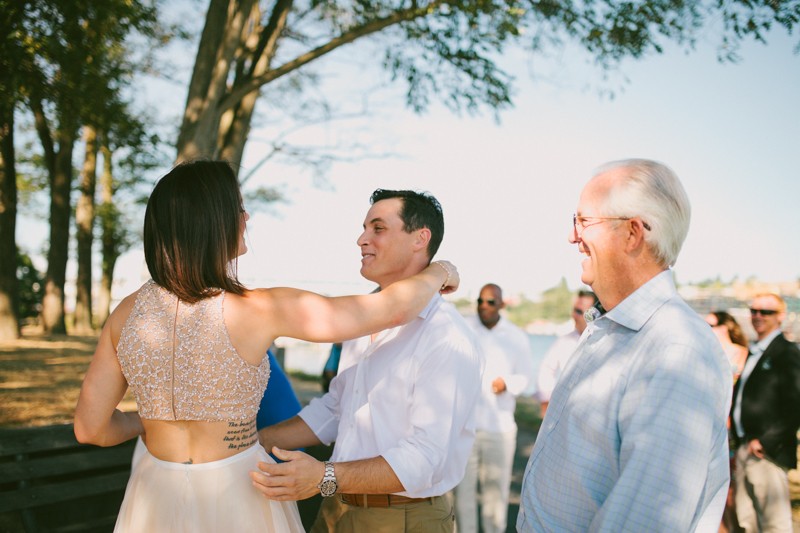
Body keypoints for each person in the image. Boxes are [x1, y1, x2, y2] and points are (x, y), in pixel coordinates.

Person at [73, 162, 459, 533]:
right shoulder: (260, 308)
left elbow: (90, 429)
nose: (247, 218)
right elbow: (392, 309)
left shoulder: (126, 314)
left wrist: (145, 421)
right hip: (235, 493)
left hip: (154, 493)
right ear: (213, 221)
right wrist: (441, 270)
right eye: (239, 208)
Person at [517, 158, 733, 532]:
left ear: (632, 234)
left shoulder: (675, 351)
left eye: (583, 221)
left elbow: (645, 521)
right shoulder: (610, 327)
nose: (572, 236)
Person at [251, 188, 483, 533]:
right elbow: (335, 408)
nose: (361, 239)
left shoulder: (446, 336)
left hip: (403, 517)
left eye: (378, 228)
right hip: (337, 507)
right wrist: (253, 443)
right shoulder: (364, 320)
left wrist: (323, 477)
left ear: (421, 239)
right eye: (364, 228)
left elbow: (423, 459)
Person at [454, 283, 534, 533]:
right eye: (480, 301)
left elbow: (527, 380)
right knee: (462, 495)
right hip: (464, 428)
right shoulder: (463, 327)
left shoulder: (515, 336)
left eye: (490, 302)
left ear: (501, 304)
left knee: (495, 497)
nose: (483, 306)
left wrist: (507, 383)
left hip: (499, 428)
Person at [730, 293, 800, 533]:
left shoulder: (786, 352)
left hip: (766, 453)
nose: (758, 316)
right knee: (746, 521)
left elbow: (795, 405)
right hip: (744, 447)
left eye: (766, 312)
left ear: (780, 317)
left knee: (774, 525)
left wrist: (767, 442)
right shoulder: (754, 351)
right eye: (754, 310)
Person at [535, 289, 598, 417]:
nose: (573, 315)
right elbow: (546, 369)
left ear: (594, 315)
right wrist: (546, 400)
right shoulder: (564, 341)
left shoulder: (607, 343)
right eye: (574, 310)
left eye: (579, 312)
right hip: (566, 414)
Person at [706, 311, 749, 382]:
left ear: (724, 327)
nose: (704, 328)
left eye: (709, 325)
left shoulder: (742, 353)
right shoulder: (707, 353)